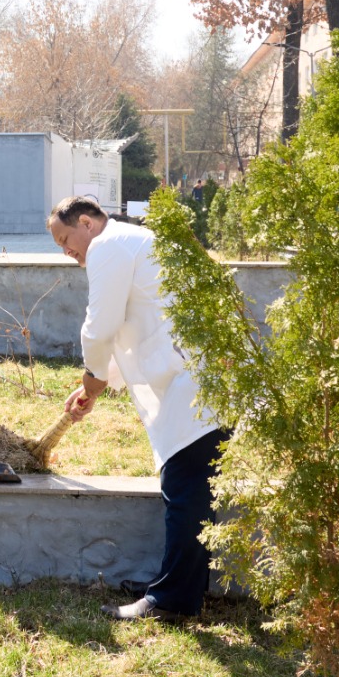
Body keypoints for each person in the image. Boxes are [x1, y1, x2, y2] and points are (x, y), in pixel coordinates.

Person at [47, 195, 227, 622]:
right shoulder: (130, 240)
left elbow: (100, 327)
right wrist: (92, 386)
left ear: (87, 223)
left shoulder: (108, 246)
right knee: (190, 488)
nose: (66, 251)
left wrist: (93, 377)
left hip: (190, 382)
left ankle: (172, 601)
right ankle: (179, 586)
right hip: (191, 376)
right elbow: (135, 321)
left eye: (65, 239)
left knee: (185, 490)